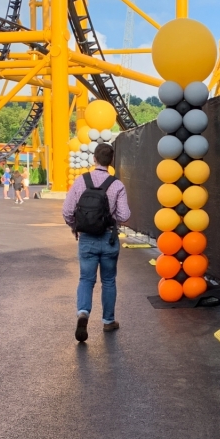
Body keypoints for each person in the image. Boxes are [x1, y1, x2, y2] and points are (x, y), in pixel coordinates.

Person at [62, 143, 130, 342]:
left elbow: (67, 211)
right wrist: (112, 217)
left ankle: (83, 312)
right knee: (108, 281)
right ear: (111, 161)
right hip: (108, 239)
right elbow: (124, 215)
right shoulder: (117, 185)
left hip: (87, 239)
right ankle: (108, 321)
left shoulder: (81, 181)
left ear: (94, 159)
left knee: (86, 279)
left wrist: (75, 226)